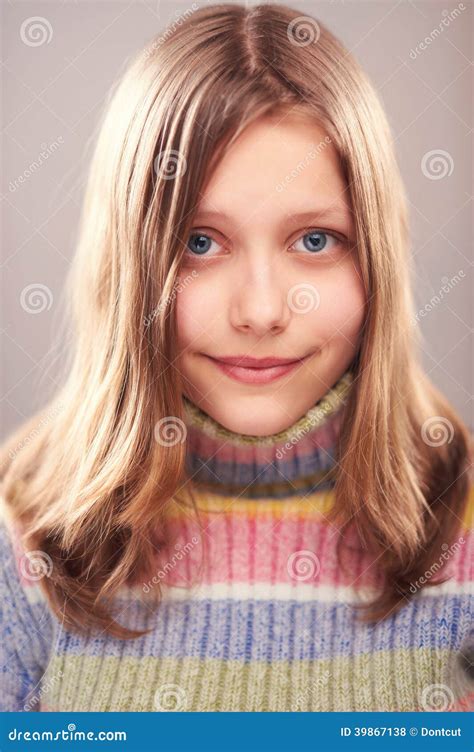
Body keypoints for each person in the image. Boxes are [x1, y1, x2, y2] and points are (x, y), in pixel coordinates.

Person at [0, 2, 472, 712]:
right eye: (200, 242)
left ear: (377, 258)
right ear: (129, 266)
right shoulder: (20, 541)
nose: (259, 311)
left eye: (315, 240)